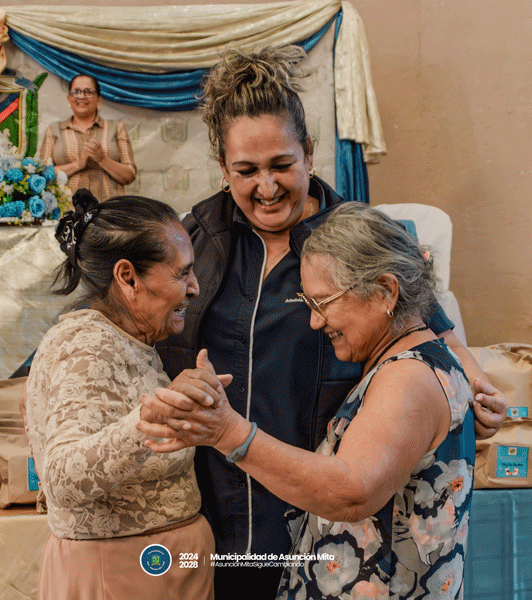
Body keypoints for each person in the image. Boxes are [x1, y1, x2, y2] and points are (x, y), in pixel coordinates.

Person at [152, 45, 505, 599]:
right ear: (222, 168)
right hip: (218, 516)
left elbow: (428, 331)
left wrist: (476, 388)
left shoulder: (358, 238)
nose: (266, 187)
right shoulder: (192, 241)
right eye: (246, 171)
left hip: (330, 516)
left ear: (309, 154)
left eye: (281, 166)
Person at [139, 201, 475, 598]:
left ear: (386, 290)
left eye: (323, 303)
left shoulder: (409, 377)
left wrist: (229, 433)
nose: (315, 321)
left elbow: (352, 491)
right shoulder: (415, 361)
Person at [26, 189, 219, 600]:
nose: (195, 288)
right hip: (119, 576)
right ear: (128, 278)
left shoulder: (128, 339)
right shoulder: (87, 346)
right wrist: (149, 421)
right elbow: (62, 478)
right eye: (181, 274)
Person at [39, 74, 137, 199]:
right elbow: (43, 174)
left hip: (109, 208)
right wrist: (77, 165)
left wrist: (103, 159)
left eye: (88, 91)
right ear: (69, 99)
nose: (81, 96)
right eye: (76, 92)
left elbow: (129, 175)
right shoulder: (55, 130)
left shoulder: (116, 128)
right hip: (68, 208)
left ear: (98, 99)